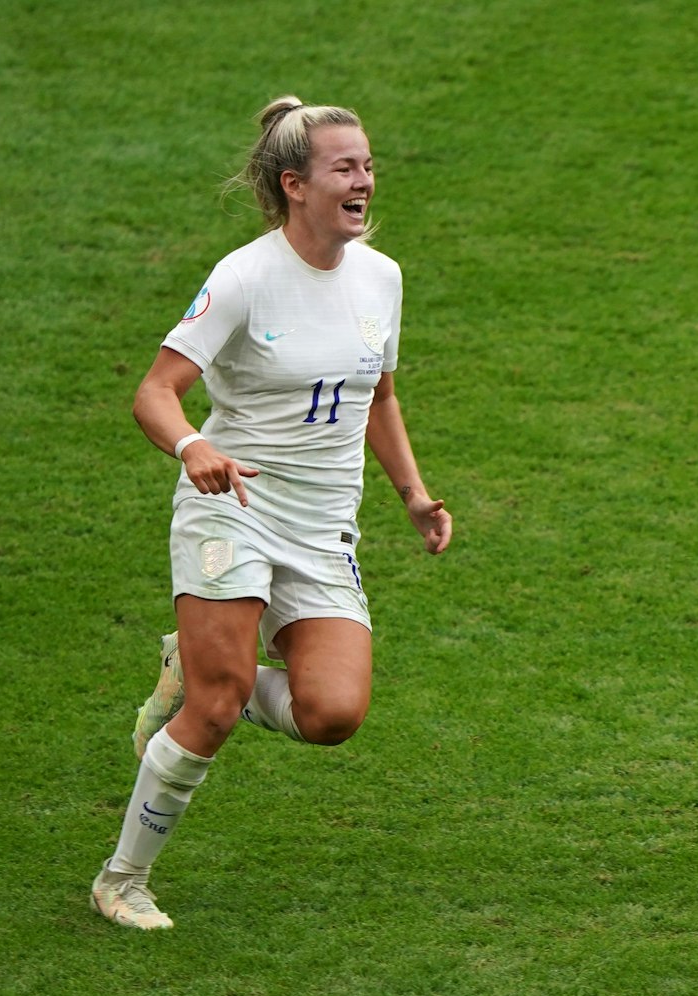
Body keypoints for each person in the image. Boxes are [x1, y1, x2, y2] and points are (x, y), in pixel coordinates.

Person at [91, 96, 452, 930]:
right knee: (213, 712)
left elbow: (379, 393)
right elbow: (154, 393)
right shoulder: (245, 276)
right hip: (234, 504)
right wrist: (194, 448)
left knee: (333, 714)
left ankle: (195, 662)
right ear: (295, 185)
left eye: (367, 164)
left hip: (323, 526)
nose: (364, 180)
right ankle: (121, 879)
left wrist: (413, 494)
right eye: (345, 168)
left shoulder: (382, 276)